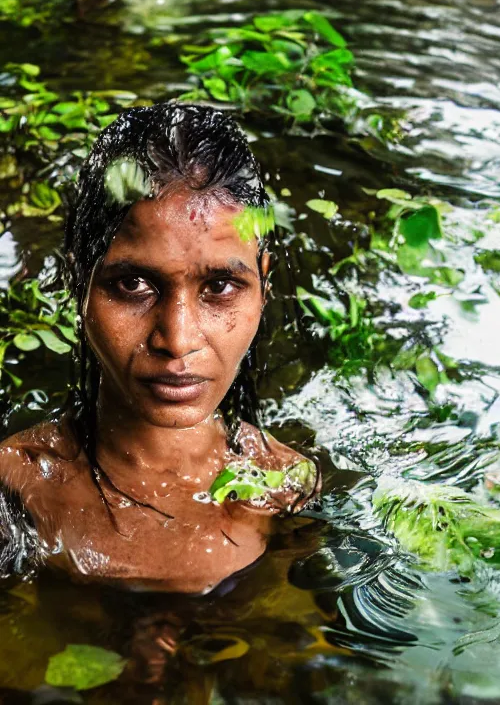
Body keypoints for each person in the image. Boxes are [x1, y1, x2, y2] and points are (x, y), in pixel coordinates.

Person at [0, 103, 320, 594]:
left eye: (220, 287)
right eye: (132, 284)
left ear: (263, 285)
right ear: (75, 281)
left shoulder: (288, 487)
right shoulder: (16, 482)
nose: (178, 339)